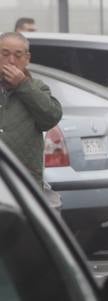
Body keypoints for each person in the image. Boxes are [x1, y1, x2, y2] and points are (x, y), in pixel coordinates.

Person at [0, 32, 62, 186]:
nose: (11, 61)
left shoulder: (37, 87)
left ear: (27, 59)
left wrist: (22, 85)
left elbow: (51, 118)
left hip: (24, 179)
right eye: (5, 54)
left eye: (18, 55)